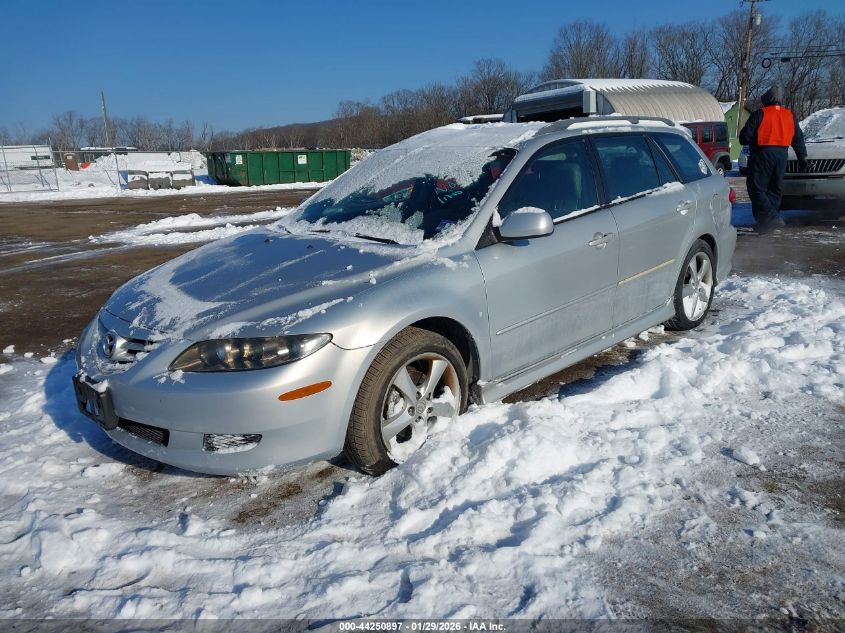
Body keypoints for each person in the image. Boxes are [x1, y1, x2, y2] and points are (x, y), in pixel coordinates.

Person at [739, 86, 807, 234]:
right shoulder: (790, 115)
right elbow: (798, 139)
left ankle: (772, 218)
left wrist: (751, 139)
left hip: (762, 154)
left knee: (756, 188)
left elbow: (744, 138)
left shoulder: (760, 114)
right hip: (782, 155)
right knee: (774, 190)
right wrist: (802, 157)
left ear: (767, 99)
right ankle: (766, 226)